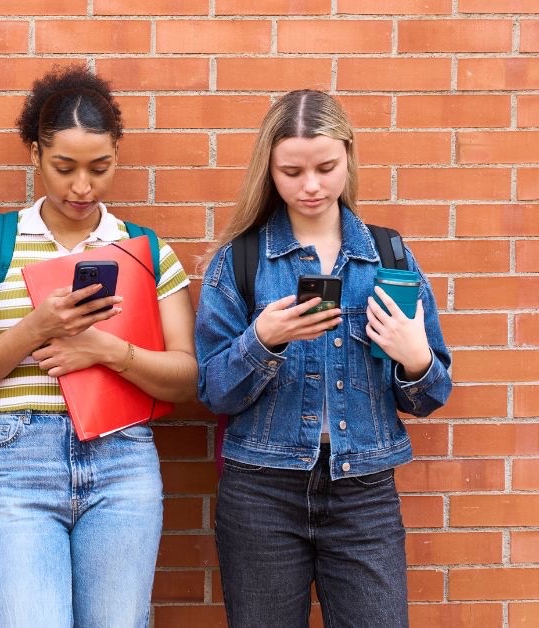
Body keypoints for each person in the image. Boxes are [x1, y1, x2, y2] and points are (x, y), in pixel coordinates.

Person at [0, 65, 198, 628]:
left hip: (122, 461)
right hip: (18, 461)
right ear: (35, 153)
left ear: (116, 157)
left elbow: (186, 377)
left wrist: (106, 351)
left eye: (99, 168)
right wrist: (37, 327)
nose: (82, 187)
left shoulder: (146, 251)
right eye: (64, 168)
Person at [195, 89, 453, 627]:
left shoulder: (389, 257)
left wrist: (414, 359)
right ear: (269, 169)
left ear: (349, 158)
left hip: (365, 492)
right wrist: (260, 341)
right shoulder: (240, 261)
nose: (310, 185)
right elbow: (213, 391)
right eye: (291, 172)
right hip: (262, 489)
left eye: (325, 167)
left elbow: (432, 394)